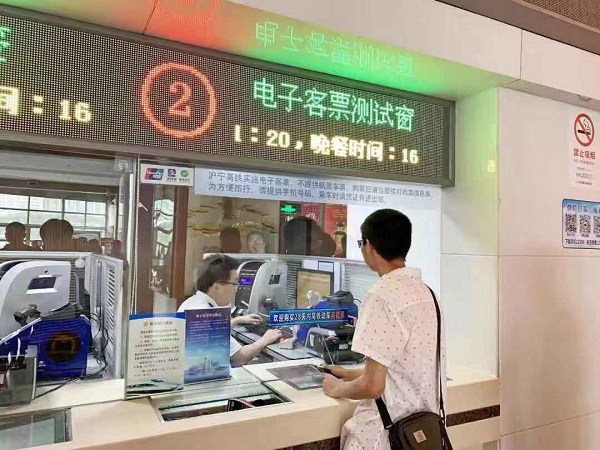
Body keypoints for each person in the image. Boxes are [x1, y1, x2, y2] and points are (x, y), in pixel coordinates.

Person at [322, 209, 441, 450]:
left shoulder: (381, 295)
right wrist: (349, 373)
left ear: (369, 245)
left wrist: (337, 387)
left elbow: (373, 387)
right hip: (421, 432)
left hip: (384, 437)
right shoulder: (427, 293)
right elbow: (403, 369)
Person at [178, 254, 282, 366]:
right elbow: (240, 357)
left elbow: (210, 334)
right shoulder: (208, 315)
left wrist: (237, 320)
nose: (236, 289)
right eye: (234, 283)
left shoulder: (192, 303)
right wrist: (265, 339)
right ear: (217, 287)